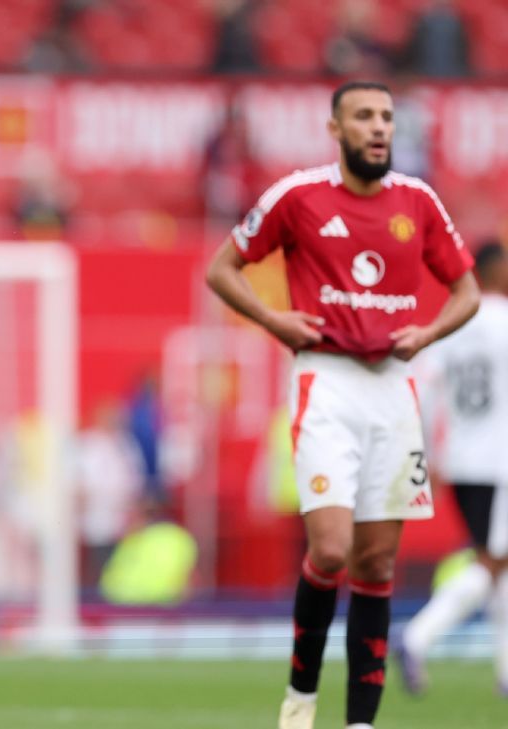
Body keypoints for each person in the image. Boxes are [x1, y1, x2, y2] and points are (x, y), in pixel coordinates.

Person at [205, 81, 479, 729]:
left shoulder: (418, 201)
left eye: (386, 117)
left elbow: (466, 290)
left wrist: (427, 333)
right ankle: (301, 696)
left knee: (378, 562)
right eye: (363, 116)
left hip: (394, 390)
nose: (378, 127)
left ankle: (360, 722)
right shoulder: (298, 197)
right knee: (330, 550)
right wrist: (275, 321)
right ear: (336, 129)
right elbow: (222, 269)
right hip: (326, 382)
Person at [398, 241, 508, 697]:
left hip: (462, 459)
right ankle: (417, 636)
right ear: (495, 270)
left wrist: (428, 453)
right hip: (501, 462)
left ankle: (506, 672)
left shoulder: (455, 322)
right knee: (493, 560)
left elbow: (424, 389)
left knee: (498, 563)